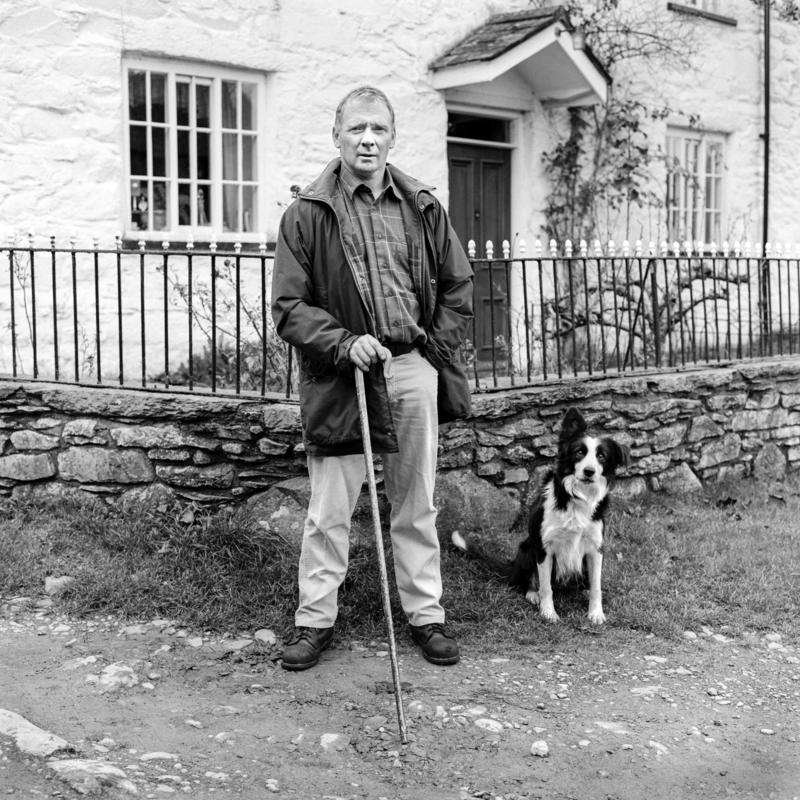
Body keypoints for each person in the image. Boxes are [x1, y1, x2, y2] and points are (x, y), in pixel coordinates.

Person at [271, 85, 473, 671]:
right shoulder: (307, 213)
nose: (368, 139)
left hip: (410, 369)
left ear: (392, 137)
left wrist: (431, 353)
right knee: (330, 507)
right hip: (344, 375)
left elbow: (458, 288)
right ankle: (314, 622)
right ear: (337, 136)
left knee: (416, 501)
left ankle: (426, 615)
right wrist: (344, 343)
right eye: (357, 128)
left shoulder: (424, 207)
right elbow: (289, 305)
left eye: (378, 129)